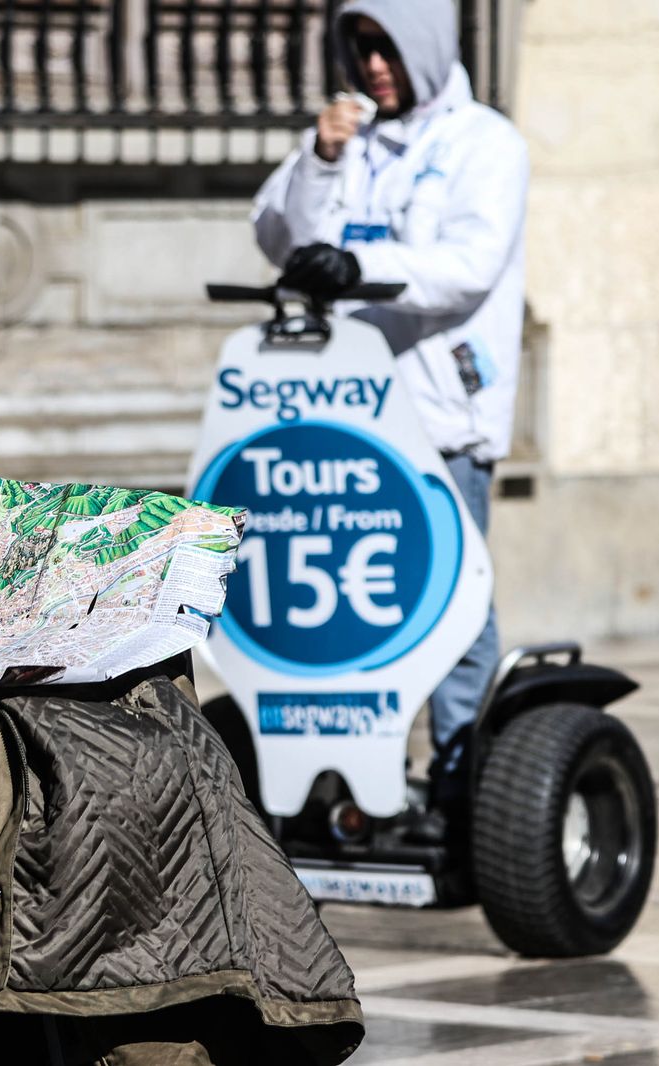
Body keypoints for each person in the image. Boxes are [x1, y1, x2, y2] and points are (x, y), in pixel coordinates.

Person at [252, 0, 529, 837]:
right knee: (352, 603)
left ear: (430, 44)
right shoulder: (353, 134)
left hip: (442, 413)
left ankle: (457, 790)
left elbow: (466, 268)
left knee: (451, 606)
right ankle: (353, 789)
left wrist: (358, 263)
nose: (374, 67)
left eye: (389, 48)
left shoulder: (485, 143)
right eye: (360, 47)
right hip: (346, 412)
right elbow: (277, 235)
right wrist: (323, 160)